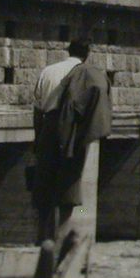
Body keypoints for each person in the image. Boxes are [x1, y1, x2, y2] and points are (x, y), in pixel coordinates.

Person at [28, 37, 112, 243]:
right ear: (87, 54)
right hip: (73, 133)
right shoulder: (89, 74)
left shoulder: (48, 71)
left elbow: (38, 108)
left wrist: (38, 138)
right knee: (69, 186)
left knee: (44, 183)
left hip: (49, 127)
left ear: (68, 51)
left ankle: (42, 237)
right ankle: (61, 236)